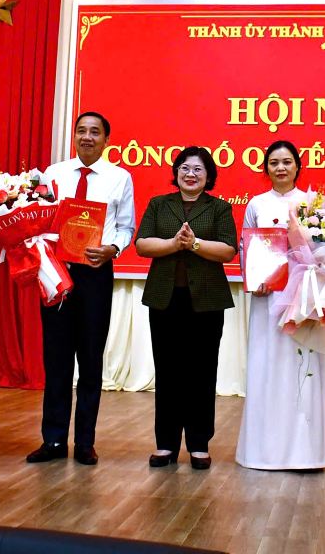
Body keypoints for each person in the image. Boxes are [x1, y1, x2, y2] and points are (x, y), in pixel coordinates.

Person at [27, 112, 135, 466]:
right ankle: (53, 440)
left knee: (90, 359)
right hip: (56, 272)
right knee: (56, 358)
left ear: (106, 140)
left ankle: (85, 441)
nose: (87, 137)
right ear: (74, 136)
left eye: (95, 132)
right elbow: (36, 216)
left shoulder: (120, 178)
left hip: (94, 273)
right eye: (81, 131)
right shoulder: (53, 174)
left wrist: (112, 249)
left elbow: (125, 226)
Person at [235, 140, 325, 471]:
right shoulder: (256, 204)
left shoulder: (312, 204)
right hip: (267, 301)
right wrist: (254, 279)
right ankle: (263, 451)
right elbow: (245, 249)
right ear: (265, 168)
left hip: (304, 300)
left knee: (301, 365)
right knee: (268, 366)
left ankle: (306, 453)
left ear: (297, 166)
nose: (280, 167)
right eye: (274, 162)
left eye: (287, 161)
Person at [135, 146, 237, 470]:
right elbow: (141, 244)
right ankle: (165, 444)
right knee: (167, 372)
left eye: (198, 169)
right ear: (176, 172)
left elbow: (228, 250)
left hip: (206, 302)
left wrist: (193, 244)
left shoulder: (219, 208)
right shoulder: (158, 204)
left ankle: (198, 444)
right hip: (165, 299)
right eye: (184, 168)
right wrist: (173, 244)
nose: (190, 174)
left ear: (208, 176)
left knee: (202, 372)